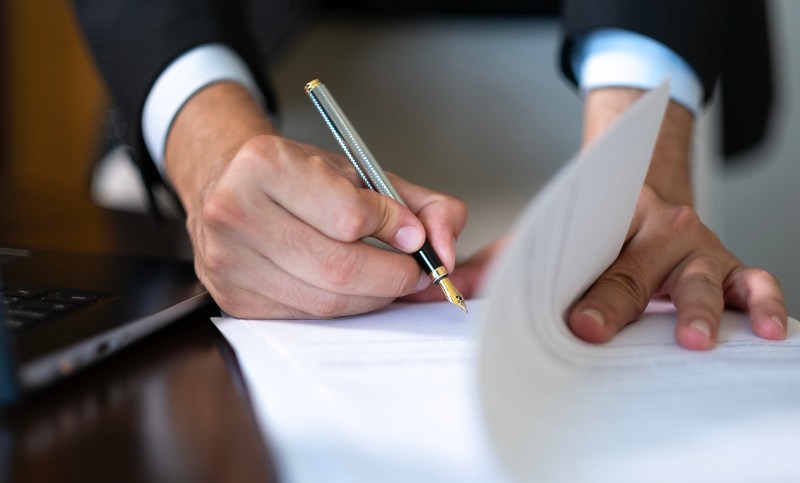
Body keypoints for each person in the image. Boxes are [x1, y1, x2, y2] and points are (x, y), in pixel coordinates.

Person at [70, 0, 786, 350]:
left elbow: (639, 189)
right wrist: (211, 146)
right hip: (235, 51)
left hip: (611, 45)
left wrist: (639, 154)